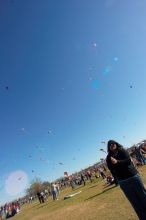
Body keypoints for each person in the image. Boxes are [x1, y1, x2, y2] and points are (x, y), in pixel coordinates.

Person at [106, 140, 146, 220]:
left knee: (143, 197)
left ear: (116, 144)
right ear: (108, 147)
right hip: (123, 181)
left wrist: (117, 162)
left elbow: (128, 161)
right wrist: (116, 180)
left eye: (113, 143)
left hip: (133, 177)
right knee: (134, 202)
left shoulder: (122, 150)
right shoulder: (108, 157)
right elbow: (112, 169)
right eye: (109, 145)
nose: (112, 145)